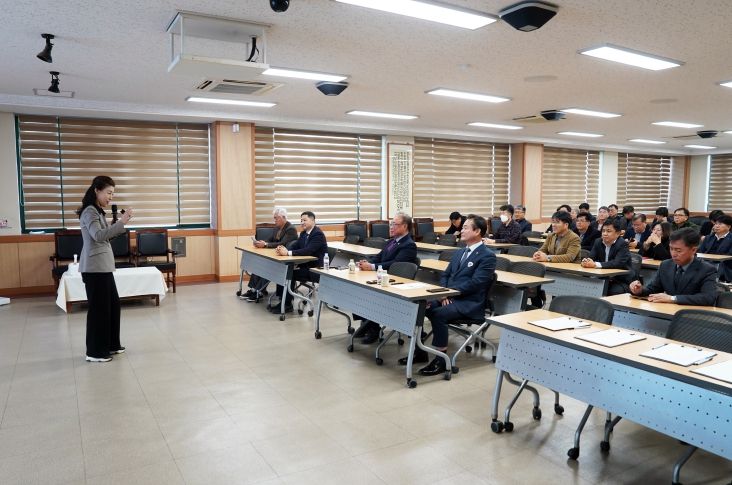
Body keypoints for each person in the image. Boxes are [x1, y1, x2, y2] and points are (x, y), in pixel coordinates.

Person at [418, 214, 496, 377]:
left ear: (477, 231)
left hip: (469, 302)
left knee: (438, 314)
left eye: (466, 227)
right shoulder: (460, 252)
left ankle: (441, 360)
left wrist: (449, 294)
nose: (461, 230)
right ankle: (419, 352)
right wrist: (444, 293)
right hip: (450, 296)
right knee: (421, 306)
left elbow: (476, 283)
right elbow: (445, 275)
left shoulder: (487, 255)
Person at [76, 176, 133, 362]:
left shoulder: (97, 211)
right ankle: (95, 352)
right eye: (108, 193)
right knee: (99, 311)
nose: (111, 197)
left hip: (103, 267)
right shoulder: (89, 212)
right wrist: (121, 223)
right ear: (97, 190)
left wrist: (119, 225)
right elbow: (98, 235)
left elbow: (104, 237)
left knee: (112, 306)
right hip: (94, 268)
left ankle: (111, 345)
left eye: (112, 194)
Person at [353, 212, 418, 344]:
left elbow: (394, 265)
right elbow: (379, 257)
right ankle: (367, 324)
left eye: (394, 224)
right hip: (383, 279)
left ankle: (373, 329)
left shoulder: (409, 245)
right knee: (359, 290)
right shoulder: (391, 241)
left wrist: (372, 267)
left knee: (368, 294)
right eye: (391, 224)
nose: (391, 227)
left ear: (405, 226)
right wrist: (366, 263)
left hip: (396, 284)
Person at [629, 228, 717, 305]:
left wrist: (672, 299)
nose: (673, 254)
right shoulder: (666, 265)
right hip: (667, 312)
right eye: (671, 249)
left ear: (693, 250)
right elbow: (653, 289)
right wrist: (639, 290)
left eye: (678, 250)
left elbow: (708, 297)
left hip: (691, 315)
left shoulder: (707, 269)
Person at [273, 211, 327, 313]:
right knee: (283, 271)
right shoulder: (303, 233)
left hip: (315, 270)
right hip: (305, 266)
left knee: (288, 274)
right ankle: (282, 300)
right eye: (301, 220)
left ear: (313, 221)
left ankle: (287, 304)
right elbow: (295, 246)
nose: (302, 222)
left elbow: (308, 250)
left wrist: (288, 253)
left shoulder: (318, 234)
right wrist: (283, 249)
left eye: (304, 220)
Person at [243, 207, 298, 302]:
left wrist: (266, 245)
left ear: (283, 217)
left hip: (285, 259)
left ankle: (258, 291)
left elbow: (283, 244)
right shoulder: (277, 228)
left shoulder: (291, 229)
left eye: (276, 218)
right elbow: (270, 240)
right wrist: (262, 242)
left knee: (267, 267)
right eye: (274, 218)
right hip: (275, 255)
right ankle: (253, 289)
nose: (274, 220)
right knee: (259, 264)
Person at [581, 219, 634, 295]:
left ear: (617, 233)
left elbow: (617, 263)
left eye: (608, 231)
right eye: (603, 231)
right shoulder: (598, 242)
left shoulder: (622, 244)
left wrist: (595, 264)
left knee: (610, 291)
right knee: (585, 284)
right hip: (603, 277)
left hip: (620, 280)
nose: (605, 234)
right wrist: (586, 261)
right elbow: (591, 257)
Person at [698, 213, 732, 282]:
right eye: (716, 224)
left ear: (728, 227)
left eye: (720, 224)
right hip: (706, 263)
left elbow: (729, 255)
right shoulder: (708, 238)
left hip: (724, 265)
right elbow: (700, 252)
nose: (717, 226)